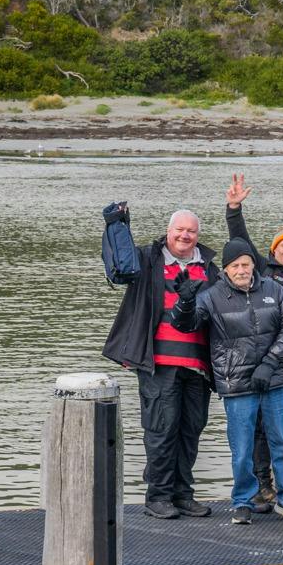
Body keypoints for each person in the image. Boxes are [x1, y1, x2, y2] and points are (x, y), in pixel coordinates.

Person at [101, 202, 219, 518]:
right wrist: (117, 223)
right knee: (161, 429)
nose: (185, 236)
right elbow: (119, 267)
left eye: (191, 231)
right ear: (168, 232)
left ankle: (182, 494)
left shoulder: (209, 268)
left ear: (197, 235)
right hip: (159, 363)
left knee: (191, 429)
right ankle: (158, 496)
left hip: (198, 365)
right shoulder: (146, 260)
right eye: (179, 230)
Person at [173, 238, 283, 524]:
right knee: (241, 447)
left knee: (281, 442)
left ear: (253, 265)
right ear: (226, 269)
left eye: (246, 264)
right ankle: (243, 500)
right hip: (236, 383)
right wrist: (184, 301)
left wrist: (270, 363)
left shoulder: (274, 289)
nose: (242, 270)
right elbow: (186, 324)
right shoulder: (212, 295)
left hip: (274, 379)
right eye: (235, 265)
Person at [222, 172, 283, 513]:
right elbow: (239, 243)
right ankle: (261, 485)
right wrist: (233, 209)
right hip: (253, 354)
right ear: (274, 250)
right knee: (256, 427)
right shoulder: (259, 268)